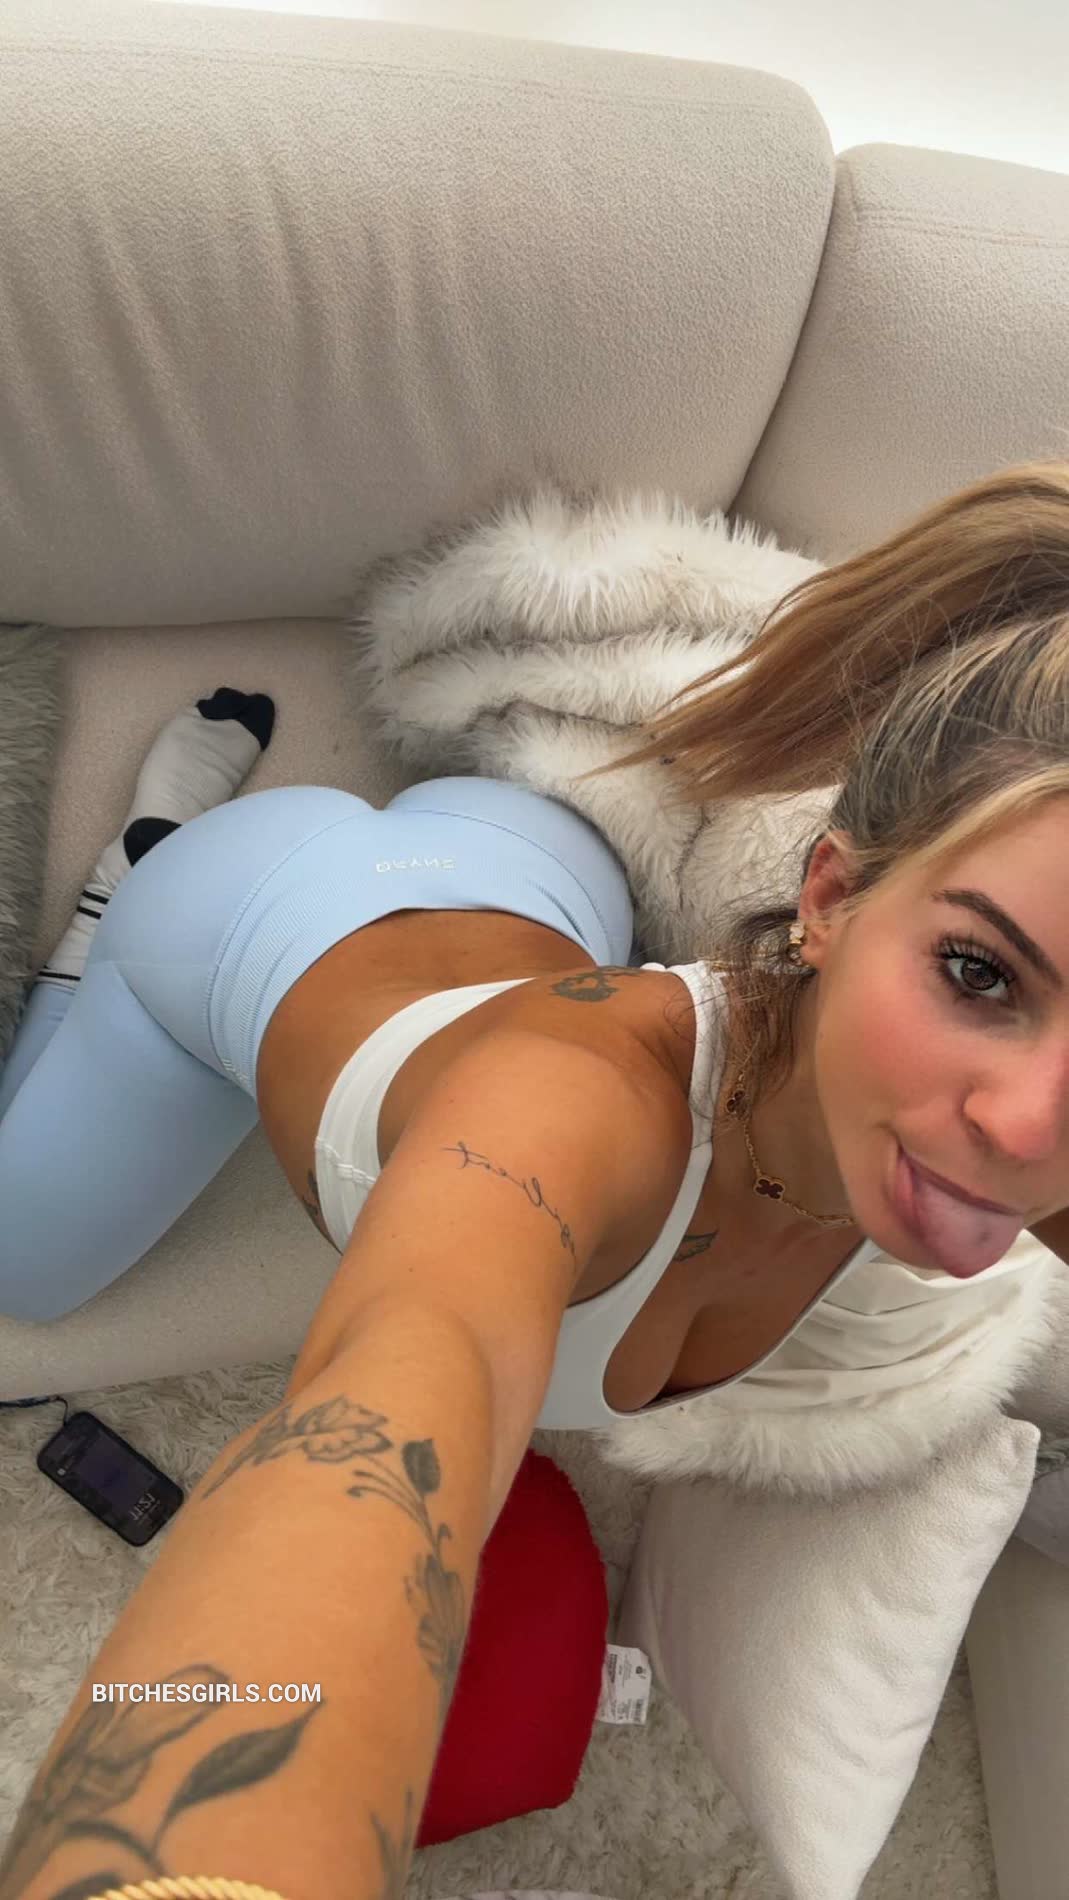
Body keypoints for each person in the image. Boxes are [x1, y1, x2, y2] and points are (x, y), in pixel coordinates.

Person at [4, 458, 1069, 1900]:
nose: (1024, 1128)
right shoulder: (561, 1113)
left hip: (540, 862)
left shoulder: (971, 1118)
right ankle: (118, 891)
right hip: (240, 914)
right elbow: (389, 1392)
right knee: (22, 1269)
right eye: (979, 972)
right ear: (828, 899)